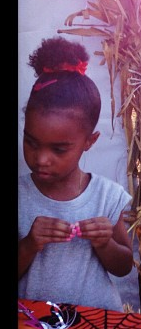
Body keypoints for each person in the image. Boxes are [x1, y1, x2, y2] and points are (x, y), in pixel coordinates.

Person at [18, 37, 134, 312]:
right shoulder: (21, 196)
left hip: (97, 323)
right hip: (32, 323)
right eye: (31, 142)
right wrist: (29, 244)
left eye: (58, 149)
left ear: (89, 142)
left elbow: (123, 266)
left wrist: (105, 243)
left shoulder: (106, 196)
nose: (41, 159)